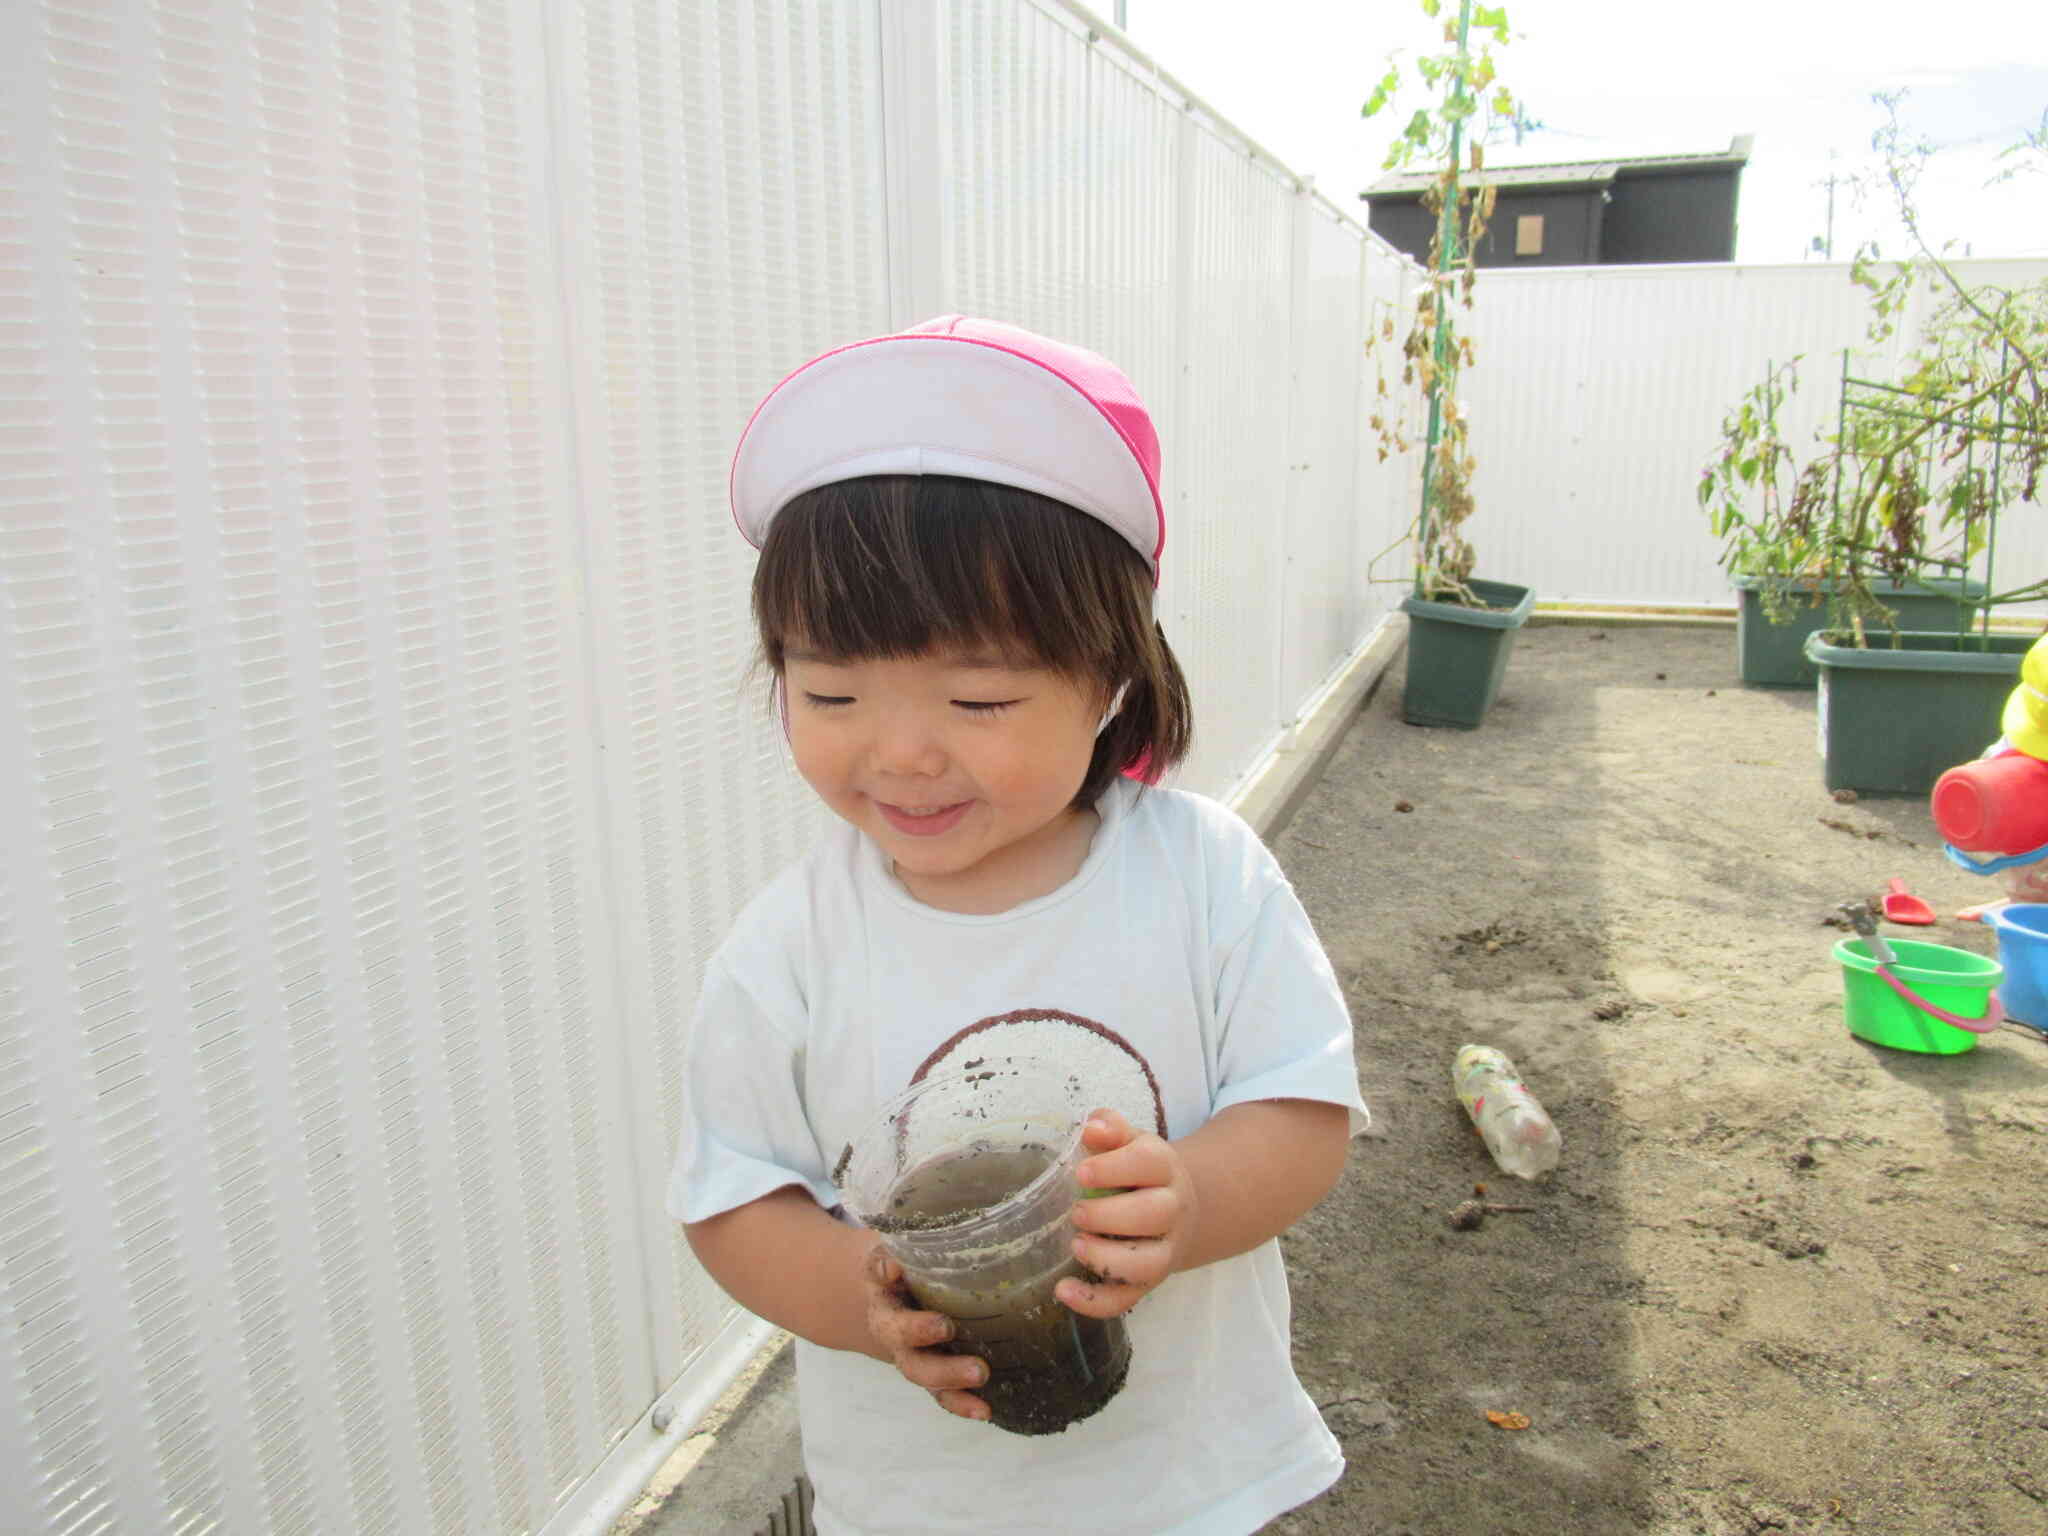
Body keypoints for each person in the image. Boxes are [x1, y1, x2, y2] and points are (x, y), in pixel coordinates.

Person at [669, 315, 1369, 1535]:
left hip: (1189, 1482)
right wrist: (864, 1296)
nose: (899, 752)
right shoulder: (787, 951)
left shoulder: (1204, 880)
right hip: (921, 1501)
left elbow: (1302, 1108)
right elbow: (733, 1199)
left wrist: (1190, 1201)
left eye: (978, 695)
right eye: (829, 690)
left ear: (1107, 681)